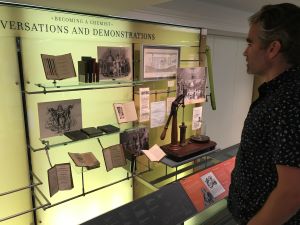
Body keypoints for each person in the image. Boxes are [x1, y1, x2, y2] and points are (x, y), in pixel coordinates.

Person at [228, 3, 300, 225]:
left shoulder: (288, 101)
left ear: (273, 49)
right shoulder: (281, 93)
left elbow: (292, 192)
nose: (245, 51)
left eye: (251, 43)